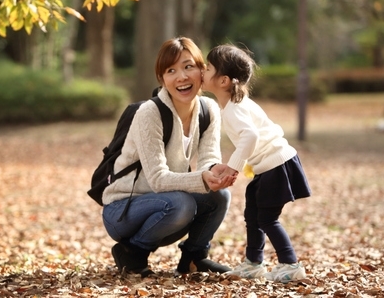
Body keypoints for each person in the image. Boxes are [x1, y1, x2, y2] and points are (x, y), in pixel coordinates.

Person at [102, 37, 237, 277]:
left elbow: (208, 158)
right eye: (171, 70)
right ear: (162, 79)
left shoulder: (209, 109)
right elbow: (158, 179)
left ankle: (194, 258)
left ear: (202, 72)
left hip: (166, 203)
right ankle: (132, 253)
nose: (182, 77)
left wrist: (214, 173)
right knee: (181, 203)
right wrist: (203, 178)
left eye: (188, 67)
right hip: (123, 209)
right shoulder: (150, 113)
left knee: (219, 195)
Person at [201, 44, 311, 283]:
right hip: (268, 167)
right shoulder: (233, 104)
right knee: (253, 214)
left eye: (208, 68)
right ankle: (253, 262)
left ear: (223, 81)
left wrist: (233, 167)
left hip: (276, 165)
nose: (202, 70)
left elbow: (250, 136)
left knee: (267, 218)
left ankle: (290, 264)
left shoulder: (234, 108)